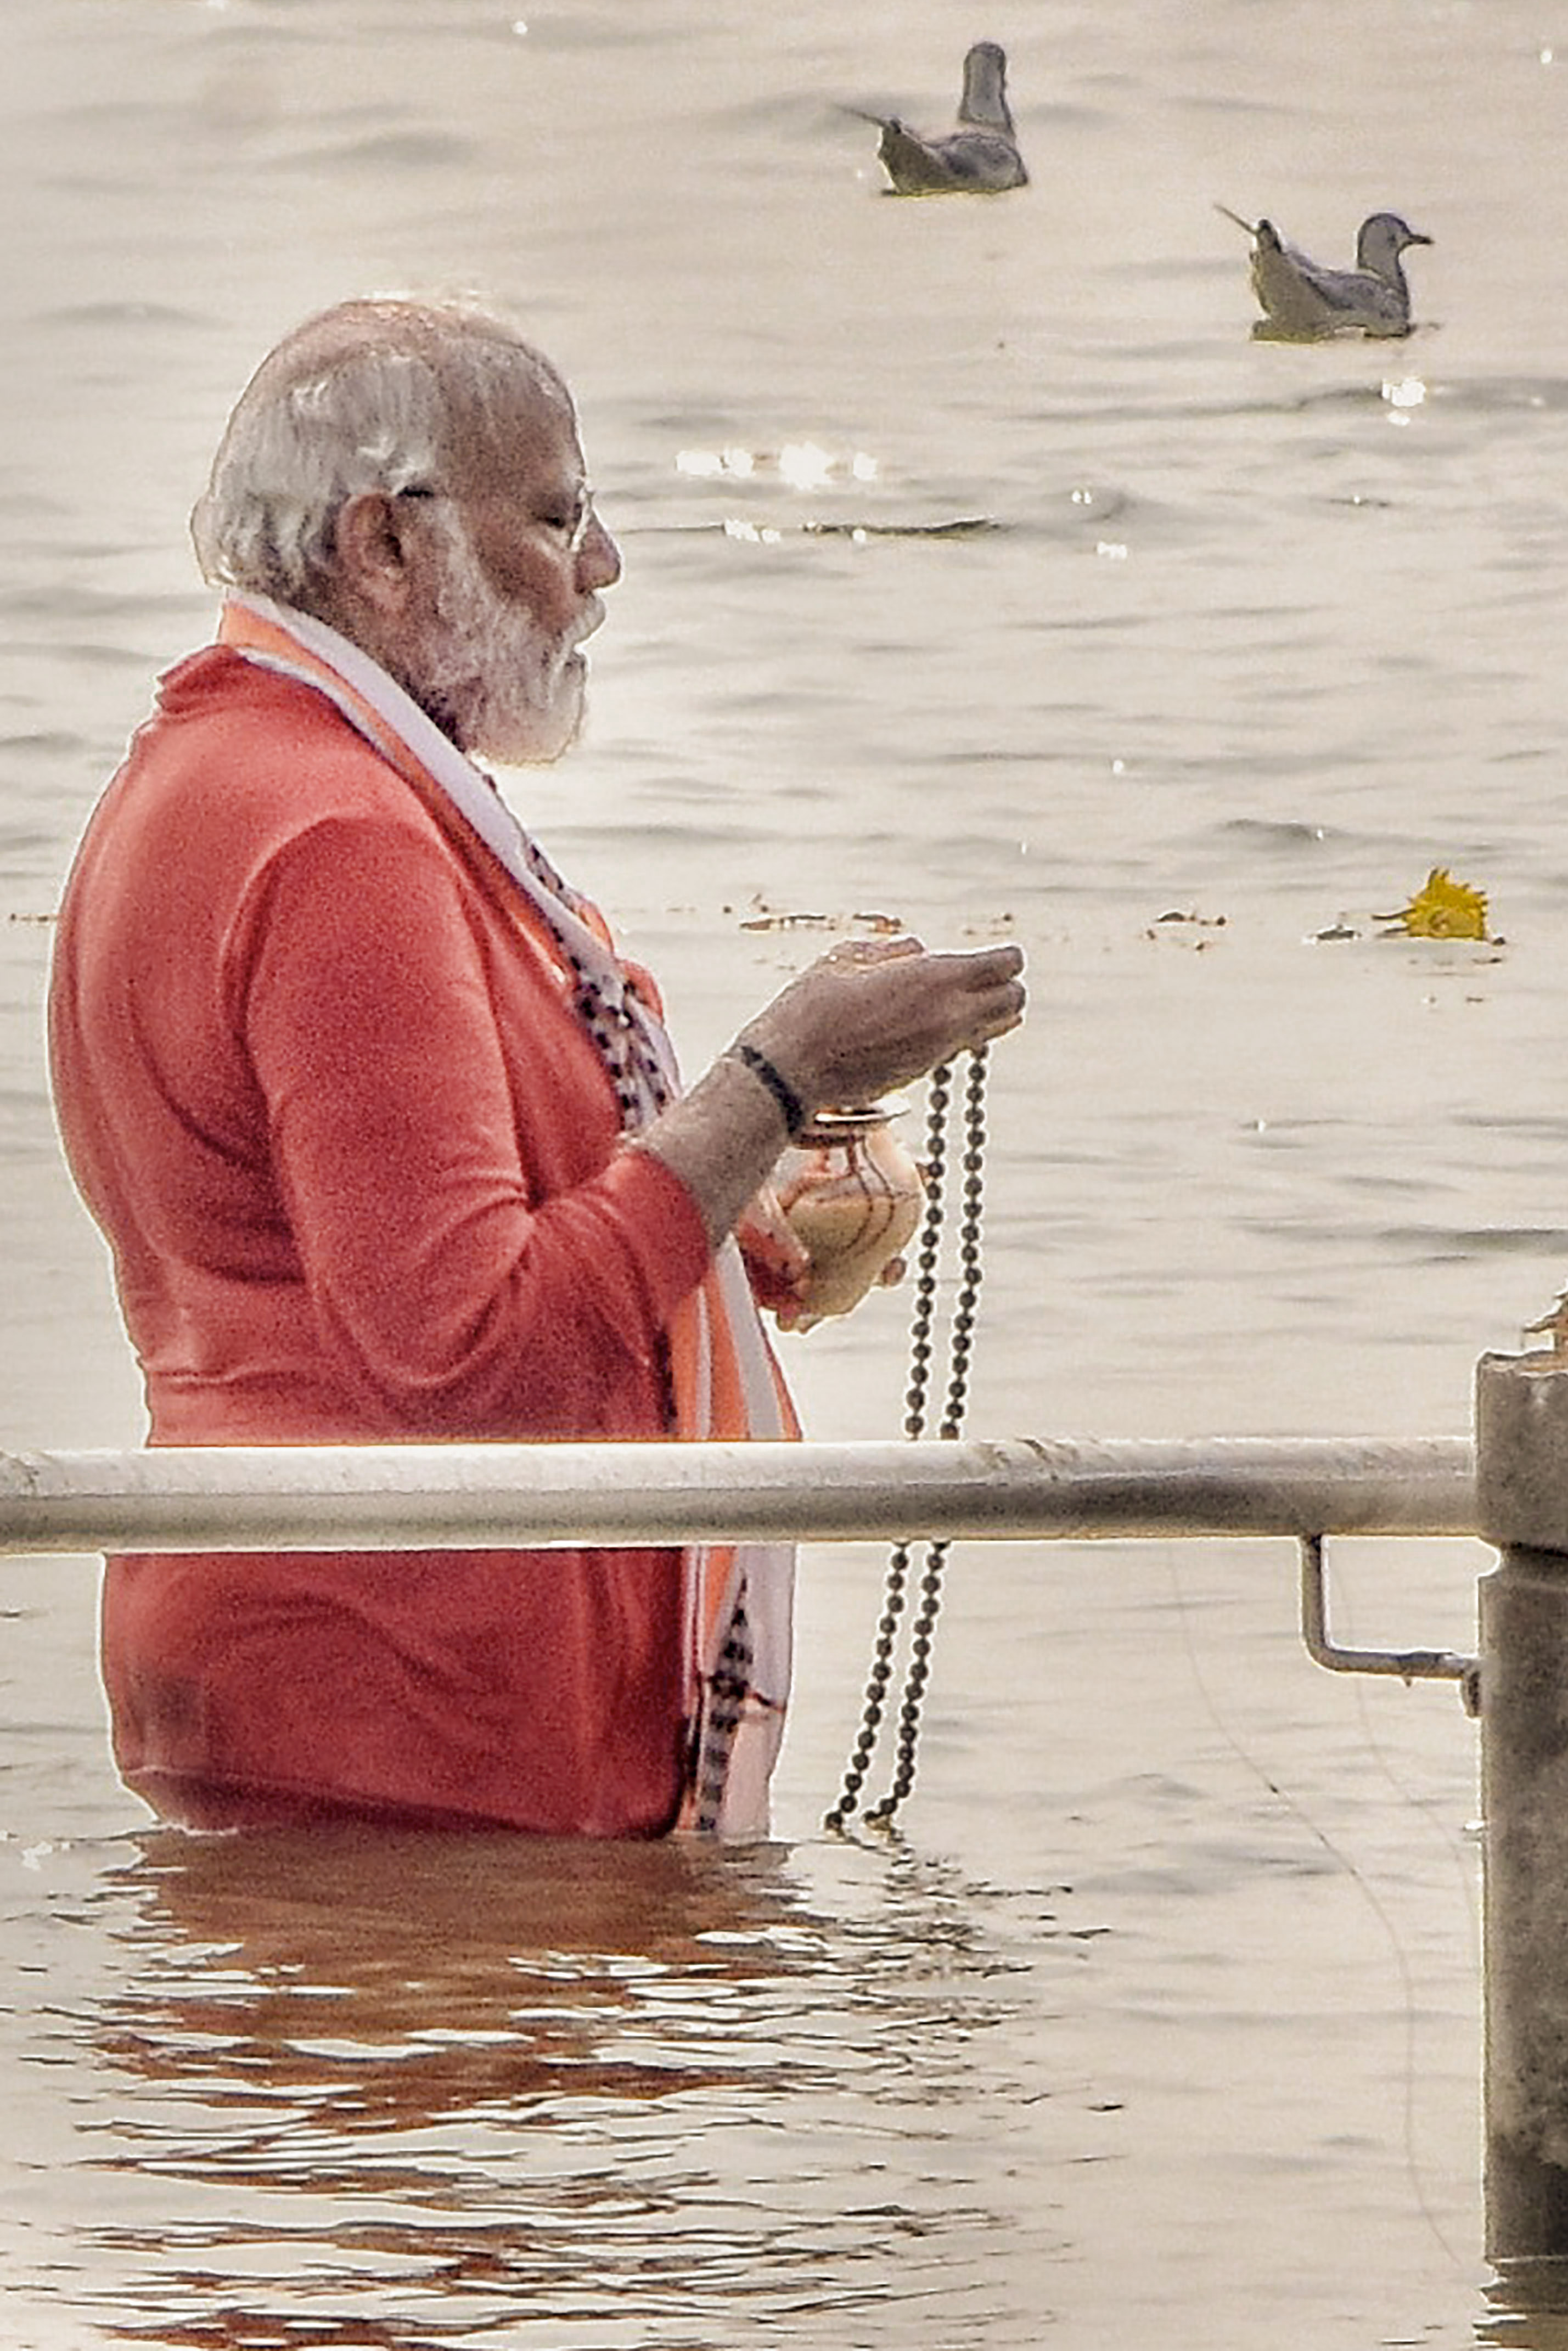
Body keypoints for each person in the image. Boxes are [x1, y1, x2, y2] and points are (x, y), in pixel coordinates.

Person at [46, 295, 1025, 1841]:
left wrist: (728, 1213)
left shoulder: (216, 770)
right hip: (415, 1703)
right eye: (560, 515)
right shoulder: (341, 835)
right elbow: (461, 1355)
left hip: (334, 1674)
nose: (604, 566)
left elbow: (348, 1255)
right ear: (386, 545)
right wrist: (771, 1080)